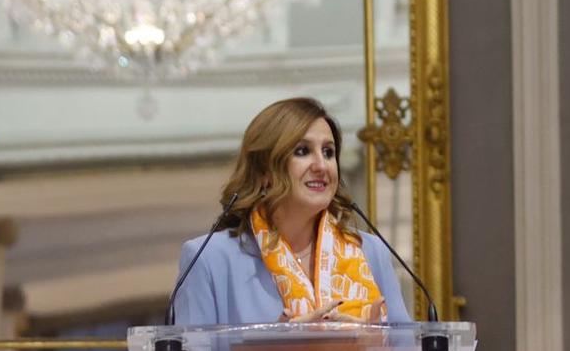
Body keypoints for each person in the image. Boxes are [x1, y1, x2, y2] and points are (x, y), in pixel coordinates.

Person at [170, 97, 408, 327]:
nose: (321, 165)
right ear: (264, 171)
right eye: (303, 151)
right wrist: (277, 349)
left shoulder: (370, 251)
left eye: (328, 152)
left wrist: (378, 344)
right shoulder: (209, 259)